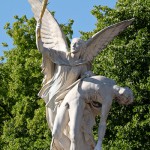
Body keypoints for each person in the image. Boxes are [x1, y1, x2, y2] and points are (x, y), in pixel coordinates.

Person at [36, 20, 90, 130]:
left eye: (78, 44)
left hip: (67, 96)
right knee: (54, 127)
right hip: (53, 94)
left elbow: (88, 79)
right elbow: (42, 49)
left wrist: (89, 75)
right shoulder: (60, 55)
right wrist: (38, 34)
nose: (74, 45)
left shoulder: (82, 65)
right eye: (72, 43)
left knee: (67, 127)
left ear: (83, 48)